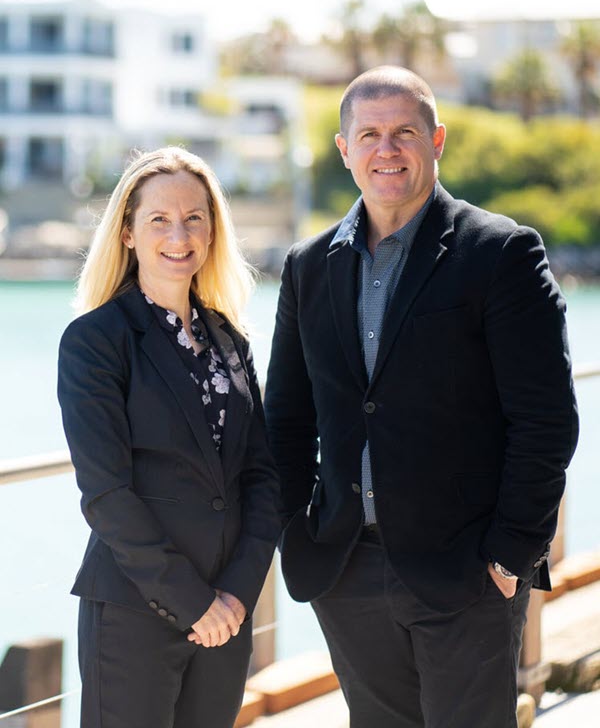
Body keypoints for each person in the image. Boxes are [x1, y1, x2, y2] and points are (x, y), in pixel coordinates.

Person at [264, 66, 578, 728]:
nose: (387, 149)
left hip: (468, 572)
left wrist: (508, 555)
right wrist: (297, 531)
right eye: (370, 134)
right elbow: (286, 420)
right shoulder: (307, 266)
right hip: (347, 570)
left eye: (404, 132)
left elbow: (546, 420)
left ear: (436, 140)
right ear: (344, 149)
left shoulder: (502, 252)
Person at [58, 146, 280, 728]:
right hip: (134, 613)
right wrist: (194, 603)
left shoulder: (231, 341)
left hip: (226, 619)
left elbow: (262, 478)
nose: (178, 234)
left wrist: (235, 596)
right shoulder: (95, 341)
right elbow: (106, 493)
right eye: (159, 219)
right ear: (128, 233)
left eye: (194, 218)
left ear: (212, 232)